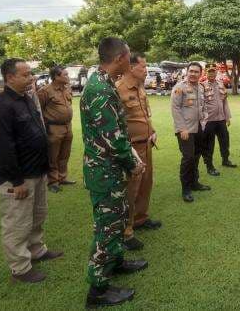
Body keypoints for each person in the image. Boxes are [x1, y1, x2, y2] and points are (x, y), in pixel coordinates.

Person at [0, 58, 63, 284]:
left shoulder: (26, 99)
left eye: (31, 74)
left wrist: (47, 168)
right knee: (17, 223)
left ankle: (37, 250)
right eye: (26, 75)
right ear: (10, 78)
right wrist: (16, 181)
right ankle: (20, 268)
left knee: (37, 215)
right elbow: (3, 147)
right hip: (18, 177)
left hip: (37, 171)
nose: (31, 78)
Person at [81, 38, 147, 307]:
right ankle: (97, 290)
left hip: (108, 168)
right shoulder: (100, 89)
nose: (130, 62)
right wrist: (133, 163)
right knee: (106, 228)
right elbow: (113, 137)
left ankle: (116, 261)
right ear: (119, 58)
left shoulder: (103, 82)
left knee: (118, 218)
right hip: (104, 170)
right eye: (128, 57)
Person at [116, 53, 162, 252]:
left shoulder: (141, 88)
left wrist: (151, 130)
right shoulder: (118, 90)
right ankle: (126, 231)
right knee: (131, 188)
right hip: (131, 148)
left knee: (145, 183)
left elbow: (144, 114)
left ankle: (140, 219)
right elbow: (116, 124)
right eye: (143, 67)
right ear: (130, 68)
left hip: (146, 144)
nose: (146, 71)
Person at [171, 62, 210, 203]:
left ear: (201, 74)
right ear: (187, 72)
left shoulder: (200, 87)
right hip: (185, 130)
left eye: (196, 72)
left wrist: (204, 121)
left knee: (196, 156)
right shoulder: (179, 88)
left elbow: (203, 106)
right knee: (188, 158)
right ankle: (186, 189)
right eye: (191, 71)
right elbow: (175, 109)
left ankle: (195, 182)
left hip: (198, 128)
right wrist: (182, 128)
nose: (193, 74)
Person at [0, 77, 43, 153]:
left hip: (28, 133)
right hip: (5, 134)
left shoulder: (28, 87)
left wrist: (42, 132)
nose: (30, 77)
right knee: (8, 160)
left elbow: (37, 110)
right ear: (10, 75)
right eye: (25, 74)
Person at [37, 65, 75, 193]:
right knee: (53, 156)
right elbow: (39, 110)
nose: (68, 77)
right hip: (53, 127)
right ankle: (53, 181)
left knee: (65, 154)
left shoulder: (67, 88)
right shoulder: (45, 91)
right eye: (65, 74)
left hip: (67, 126)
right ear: (56, 77)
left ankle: (62, 177)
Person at [201, 63, 237, 177]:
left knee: (225, 141)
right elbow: (200, 104)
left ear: (216, 72)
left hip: (221, 119)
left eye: (213, 71)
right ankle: (209, 166)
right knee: (209, 144)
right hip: (209, 120)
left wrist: (227, 117)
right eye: (209, 72)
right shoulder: (201, 86)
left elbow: (224, 102)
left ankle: (225, 160)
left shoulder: (221, 84)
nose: (211, 73)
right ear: (206, 73)